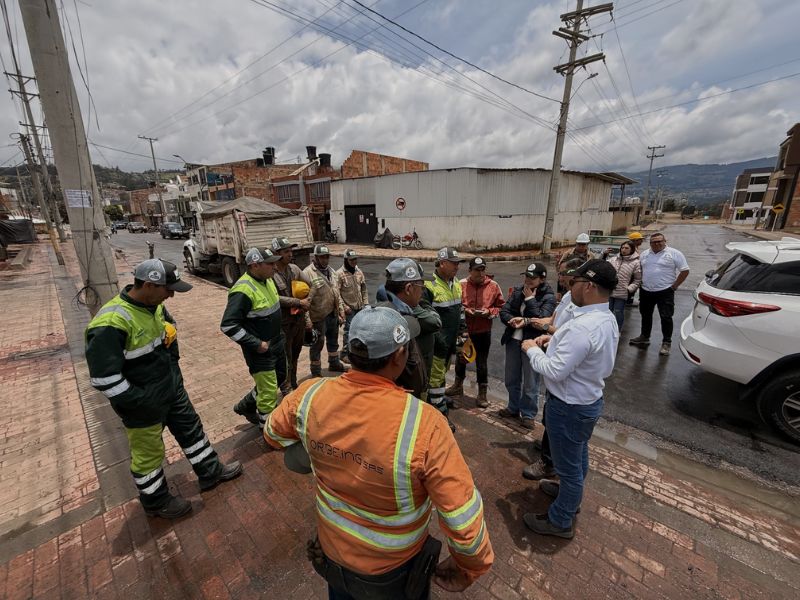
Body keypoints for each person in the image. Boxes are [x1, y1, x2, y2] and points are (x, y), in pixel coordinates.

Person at [264, 307, 494, 598]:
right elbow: (462, 517)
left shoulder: (309, 394)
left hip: (332, 554)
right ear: (399, 356)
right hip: (394, 571)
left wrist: (316, 448)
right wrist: (469, 567)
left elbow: (272, 433)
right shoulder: (425, 423)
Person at [86, 259, 242, 519]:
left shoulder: (153, 306)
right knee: (148, 455)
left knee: (192, 431)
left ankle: (210, 472)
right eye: (167, 290)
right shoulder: (111, 323)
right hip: (142, 404)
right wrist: (140, 400)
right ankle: (156, 501)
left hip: (171, 390)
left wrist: (175, 378)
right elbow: (104, 379)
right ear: (148, 285)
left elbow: (169, 333)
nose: (170, 295)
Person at [521, 259, 620, 539]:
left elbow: (554, 369)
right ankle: (568, 495)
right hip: (585, 401)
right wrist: (552, 343)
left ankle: (560, 519)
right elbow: (588, 355)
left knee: (569, 466)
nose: (569, 286)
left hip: (569, 406)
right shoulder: (604, 318)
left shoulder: (584, 326)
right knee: (577, 456)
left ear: (588, 286)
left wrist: (531, 349)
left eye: (574, 282)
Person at [522, 258, 583, 481]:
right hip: (553, 353)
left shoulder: (579, 301)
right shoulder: (567, 295)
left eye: (564, 273)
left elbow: (566, 331)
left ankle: (548, 463)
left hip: (561, 368)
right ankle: (550, 444)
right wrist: (536, 322)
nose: (561, 277)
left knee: (558, 412)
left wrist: (544, 327)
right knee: (551, 411)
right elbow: (554, 319)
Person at [221, 247, 286, 430]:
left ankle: (245, 405)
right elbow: (228, 325)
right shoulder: (242, 290)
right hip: (260, 350)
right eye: (270, 263)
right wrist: (256, 344)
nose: (275, 267)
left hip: (276, 342)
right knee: (268, 391)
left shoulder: (267, 280)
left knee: (281, 376)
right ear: (255, 265)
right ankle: (268, 429)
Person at [498, 263, 556, 429]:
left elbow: (541, 319)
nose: (528, 280)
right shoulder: (518, 291)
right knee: (511, 376)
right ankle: (513, 407)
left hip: (532, 343)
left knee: (531, 381)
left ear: (542, 278)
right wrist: (511, 321)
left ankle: (529, 414)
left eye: (533, 277)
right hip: (513, 340)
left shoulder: (548, 297)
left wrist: (530, 299)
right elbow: (504, 311)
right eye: (527, 276)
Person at [375, 258, 441, 397]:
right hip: (403, 395)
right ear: (409, 288)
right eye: (421, 286)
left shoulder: (386, 308)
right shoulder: (396, 318)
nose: (423, 291)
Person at [446, 257, 504, 409]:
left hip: (483, 330)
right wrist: (467, 310)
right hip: (464, 329)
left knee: (482, 363)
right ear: (470, 270)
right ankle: (458, 385)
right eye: (477, 270)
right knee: (461, 358)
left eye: (482, 269)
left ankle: (482, 393)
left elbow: (501, 306)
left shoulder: (493, 285)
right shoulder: (461, 284)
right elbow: (454, 304)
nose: (480, 273)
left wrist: (489, 312)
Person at [424, 247, 466, 431]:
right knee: (434, 380)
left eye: (458, 263)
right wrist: (439, 339)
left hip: (450, 342)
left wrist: (463, 332)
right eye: (453, 263)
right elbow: (424, 317)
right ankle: (439, 415)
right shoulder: (429, 286)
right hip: (436, 344)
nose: (457, 267)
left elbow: (460, 310)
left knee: (441, 375)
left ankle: (438, 398)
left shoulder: (456, 283)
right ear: (442, 263)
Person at [629, 232, 690, 356]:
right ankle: (644, 337)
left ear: (664, 241)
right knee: (645, 315)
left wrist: (675, 286)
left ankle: (666, 342)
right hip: (646, 290)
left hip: (665, 291)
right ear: (650, 243)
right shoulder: (645, 254)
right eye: (653, 242)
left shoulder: (674, 253)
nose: (656, 244)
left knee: (666, 317)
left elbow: (685, 270)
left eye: (659, 241)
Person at [271, 237, 312, 392]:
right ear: (276, 253)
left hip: (298, 320)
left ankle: (293, 382)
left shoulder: (294, 269)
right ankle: (285, 386)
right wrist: (297, 302)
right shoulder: (270, 273)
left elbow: (311, 284)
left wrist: (306, 301)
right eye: (286, 251)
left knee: (295, 354)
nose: (290, 254)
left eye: (291, 251)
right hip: (283, 323)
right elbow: (273, 297)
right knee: (284, 357)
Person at [303, 244, 347, 376]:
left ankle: (334, 363)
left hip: (332, 314)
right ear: (315, 257)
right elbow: (304, 300)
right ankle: (315, 371)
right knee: (317, 343)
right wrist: (307, 320)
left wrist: (340, 310)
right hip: (317, 316)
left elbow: (336, 293)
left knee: (333, 340)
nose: (325, 260)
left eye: (327, 257)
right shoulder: (307, 273)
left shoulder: (331, 272)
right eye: (322, 257)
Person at [336, 248, 369, 365]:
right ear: (346, 260)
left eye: (355, 259)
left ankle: (356, 351)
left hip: (360, 307)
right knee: (348, 331)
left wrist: (366, 304)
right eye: (351, 260)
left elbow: (364, 289)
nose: (354, 262)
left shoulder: (359, 272)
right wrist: (344, 307)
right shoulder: (339, 274)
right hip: (349, 309)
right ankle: (344, 353)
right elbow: (337, 293)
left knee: (359, 331)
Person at [607, 240, 642, 330]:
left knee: (618, 311)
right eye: (622, 247)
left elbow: (638, 279)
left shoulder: (636, 263)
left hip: (622, 292)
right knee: (607, 311)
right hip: (609, 290)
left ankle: (618, 330)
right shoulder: (614, 259)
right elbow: (603, 267)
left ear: (632, 249)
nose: (624, 250)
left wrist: (629, 289)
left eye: (626, 248)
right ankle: (607, 329)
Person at [556, 233, 597, 297]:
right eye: (579, 244)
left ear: (587, 244)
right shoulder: (567, 254)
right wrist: (559, 291)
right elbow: (559, 270)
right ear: (576, 243)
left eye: (583, 245)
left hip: (582, 284)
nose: (581, 247)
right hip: (567, 284)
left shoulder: (591, 256)